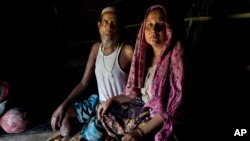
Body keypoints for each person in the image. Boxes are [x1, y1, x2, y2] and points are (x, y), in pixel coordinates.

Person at [98, 5, 184, 141]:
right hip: (143, 108)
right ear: (144, 28)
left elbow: (174, 106)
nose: (154, 30)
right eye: (149, 25)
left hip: (161, 116)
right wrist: (112, 99)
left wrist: (140, 132)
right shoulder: (143, 56)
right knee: (106, 111)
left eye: (160, 25)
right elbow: (135, 95)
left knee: (159, 135)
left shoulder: (176, 56)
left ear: (168, 29)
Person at [50, 6, 134, 140]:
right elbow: (83, 83)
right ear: (99, 25)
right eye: (105, 22)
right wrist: (62, 106)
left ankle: (97, 130)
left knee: (87, 137)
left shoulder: (127, 51)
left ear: (120, 28)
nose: (109, 27)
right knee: (65, 126)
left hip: (116, 107)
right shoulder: (96, 48)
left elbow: (138, 88)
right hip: (98, 101)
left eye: (114, 23)